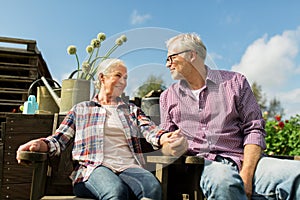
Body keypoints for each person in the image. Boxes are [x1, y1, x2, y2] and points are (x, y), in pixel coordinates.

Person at [16, 58, 188, 200]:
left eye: (126, 77)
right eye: (118, 75)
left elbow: (151, 131)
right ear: (102, 78)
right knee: (116, 192)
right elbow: (59, 140)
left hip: (128, 167)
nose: (123, 81)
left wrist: (166, 138)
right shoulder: (81, 109)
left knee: (152, 189)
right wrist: (40, 144)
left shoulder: (132, 110)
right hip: (92, 170)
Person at [159, 33, 300, 200]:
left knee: (296, 173)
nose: (167, 64)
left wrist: (246, 174)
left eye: (171, 58)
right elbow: (165, 146)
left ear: (191, 55)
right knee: (224, 181)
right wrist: (172, 145)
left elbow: (254, 128)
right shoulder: (168, 97)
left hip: (246, 161)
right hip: (205, 166)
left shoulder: (235, 82)